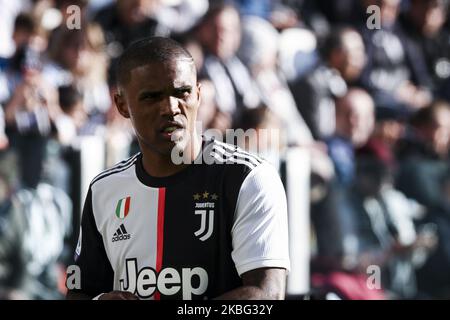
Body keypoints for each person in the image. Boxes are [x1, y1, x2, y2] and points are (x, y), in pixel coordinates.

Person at [66, 37, 290, 300]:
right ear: (122, 105)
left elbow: (265, 296)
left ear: (197, 94)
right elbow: (79, 292)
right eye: (151, 97)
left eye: (181, 92)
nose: (171, 108)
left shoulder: (248, 178)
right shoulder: (104, 189)